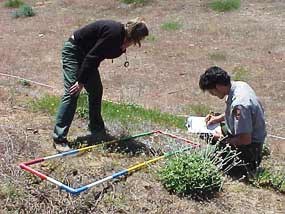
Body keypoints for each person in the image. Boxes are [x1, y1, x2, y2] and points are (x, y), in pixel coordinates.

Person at [53, 18, 149, 151]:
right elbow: (93, 56)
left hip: (87, 58)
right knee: (73, 92)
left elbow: (96, 56)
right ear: (133, 35)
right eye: (137, 40)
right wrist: (80, 82)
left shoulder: (120, 38)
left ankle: (96, 128)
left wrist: (120, 49)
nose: (135, 43)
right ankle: (59, 139)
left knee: (96, 90)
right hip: (74, 52)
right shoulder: (114, 33)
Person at [199, 66, 267, 176]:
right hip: (244, 135)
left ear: (218, 87)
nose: (212, 95)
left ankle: (245, 165)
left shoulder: (240, 104)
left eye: (211, 91)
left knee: (212, 162)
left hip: (249, 149)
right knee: (209, 129)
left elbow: (245, 140)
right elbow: (232, 113)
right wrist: (217, 119)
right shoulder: (239, 85)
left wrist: (223, 140)